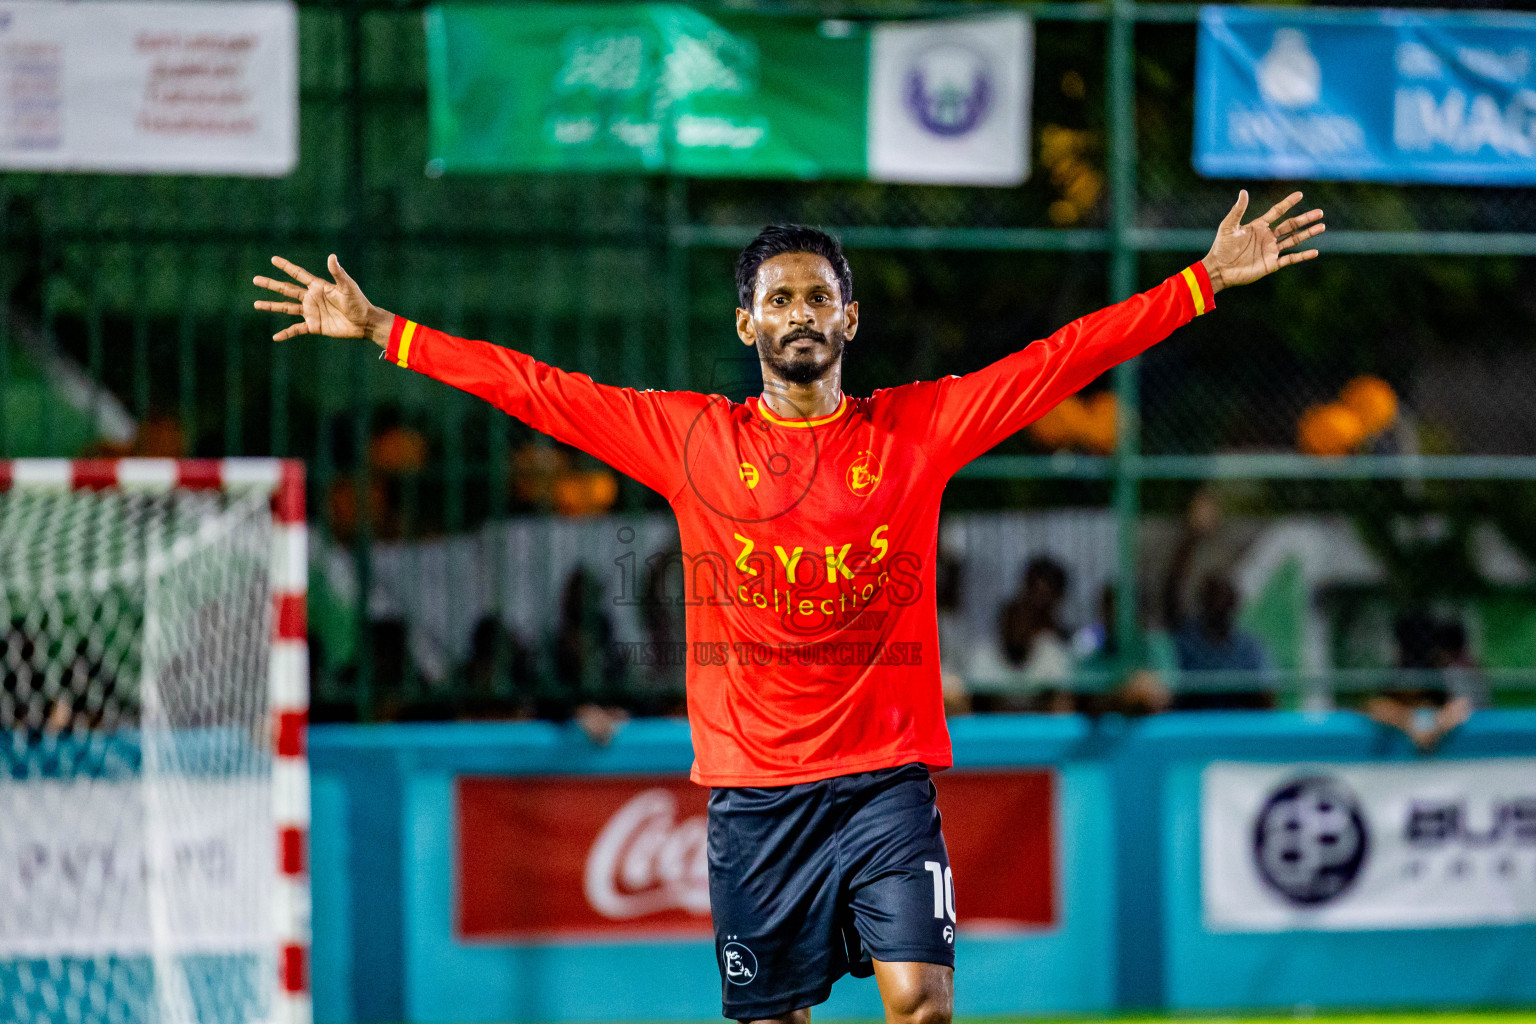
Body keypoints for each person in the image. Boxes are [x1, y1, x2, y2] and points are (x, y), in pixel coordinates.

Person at [254, 189, 1323, 1024]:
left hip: (884, 783)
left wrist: (1199, 283)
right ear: (745, 323)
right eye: (780, 298)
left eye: (818, 296)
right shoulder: (690, 439)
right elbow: (536, 388)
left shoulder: (916, 430)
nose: (800, 313)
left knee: (922, 1000)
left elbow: (1060, 360)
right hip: (755, 795)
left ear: (849, 317)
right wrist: (386, 330)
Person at [1161, 491, 1276, 710]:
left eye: (1222, 594)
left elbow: (1267, 703)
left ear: (1235, 601)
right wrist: (1191, 539)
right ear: (1201, 601)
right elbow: (1171, 595)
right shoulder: (1189, 642)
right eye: (1210, 595)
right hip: (1194, 731)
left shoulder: (1249, 649)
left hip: (1237, 733)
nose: (1217, 603)